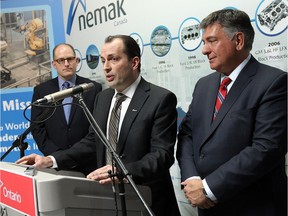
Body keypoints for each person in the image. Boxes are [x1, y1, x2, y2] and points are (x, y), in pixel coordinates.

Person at [17, 35, 181, 216]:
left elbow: (161, 155)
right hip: (108, 201)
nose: (106, 67)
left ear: (134, 63)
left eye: (114, 59)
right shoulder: (103, 98)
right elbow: (92, 142)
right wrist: (51, 160)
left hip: (147, 201)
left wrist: (123, 172)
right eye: (103, 60)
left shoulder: (160, 99)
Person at [176, 9, 287, 216]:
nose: (204, 50)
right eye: (203, 42)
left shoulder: (274, 82)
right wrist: (192, 179)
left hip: (252, 207)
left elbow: (266, 148)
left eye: (211, 41)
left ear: (238, 40)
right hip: (206, 206)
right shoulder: (203, 85)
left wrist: (209, 188)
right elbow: (187, 134)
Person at [31, 43, 102, 175]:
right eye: (61, 60)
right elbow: (37, 128)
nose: (66, 63)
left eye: (70, 59)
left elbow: (97, 128)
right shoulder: (41, 91)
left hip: (87, 163)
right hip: (54, 164)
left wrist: (77, 153)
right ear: (54, 64)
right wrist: (56, 155)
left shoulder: (93, 88)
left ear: (76, 61)